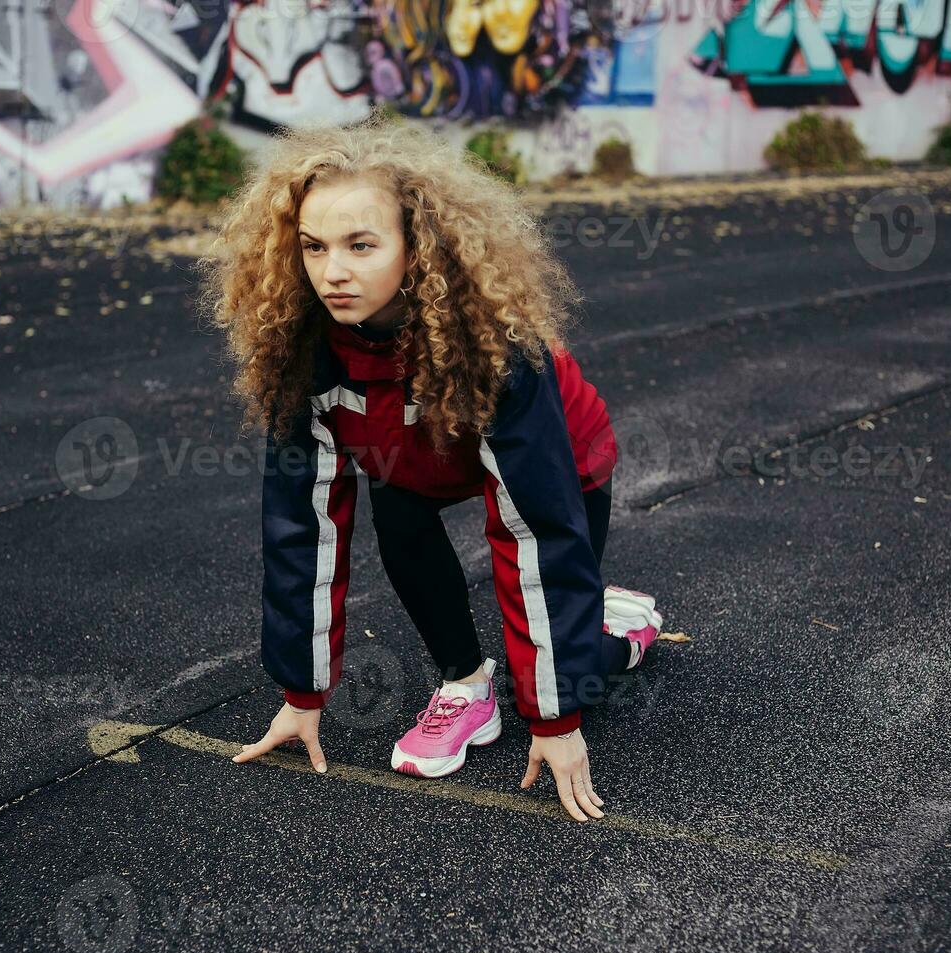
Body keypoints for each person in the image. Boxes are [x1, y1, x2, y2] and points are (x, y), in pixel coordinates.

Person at [197, 114, 665, 823]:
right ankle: (463, 688)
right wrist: (301, 693)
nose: (334, 271)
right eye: (315, 247)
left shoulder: (497, 351)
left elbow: (534, 533)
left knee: (566, 643)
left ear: (417, 249)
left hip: (562, 461)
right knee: (400, 517)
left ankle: (619, 635)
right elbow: (302, 526)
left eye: (361, 244)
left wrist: (557, 720)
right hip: (408, 455)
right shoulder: (303, 352)